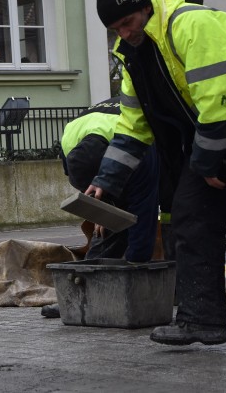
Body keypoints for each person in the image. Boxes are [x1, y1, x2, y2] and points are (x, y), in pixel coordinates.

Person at [90, 0, 226, 352]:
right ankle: (201, 321)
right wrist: (106, 179)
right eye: (115, 29)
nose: (124, 33)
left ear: (145, 6)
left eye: (127, 23)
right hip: (215, 134)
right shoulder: (134, 55)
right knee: (190, 216)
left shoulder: (193, 24)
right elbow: (134, 124)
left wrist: (208, 162)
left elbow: (222, 97)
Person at [41, 96, 161, 318]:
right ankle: (80, 296)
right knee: (107, 226)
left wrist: (135, 269)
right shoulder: (69, 142)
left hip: (161, 147)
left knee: (152, 221)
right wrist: (101, 210)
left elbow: (145, 212)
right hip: (115, 146)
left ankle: (164, 290)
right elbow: (79, 178)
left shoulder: (136, 148)